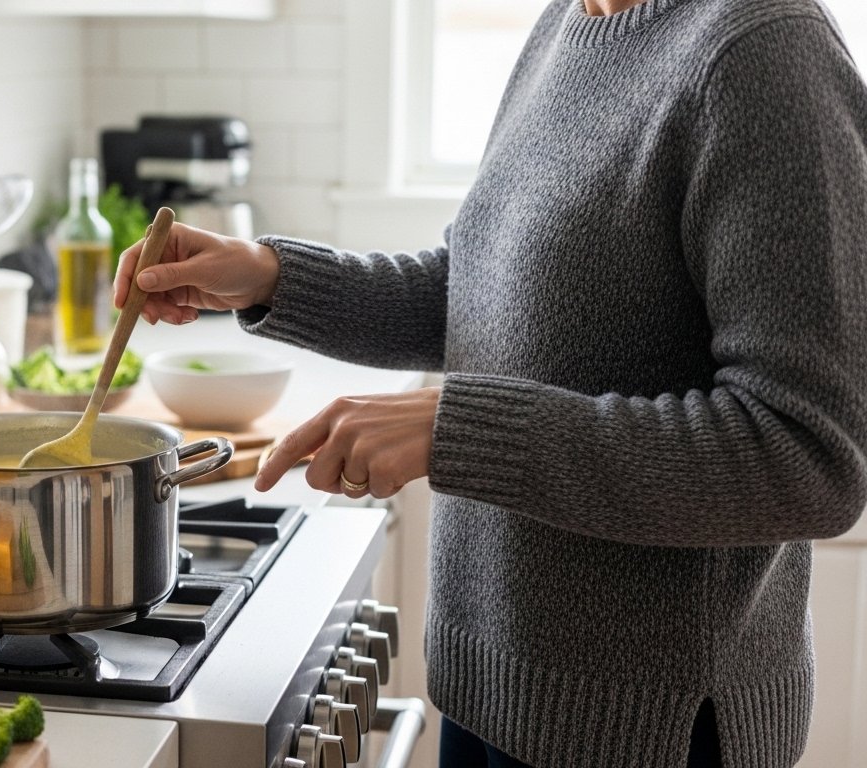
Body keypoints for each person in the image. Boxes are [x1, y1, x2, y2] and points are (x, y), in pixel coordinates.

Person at [112, 0, 867, 765]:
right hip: (491, 690)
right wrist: (271, 278)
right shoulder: (568, 26)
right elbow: (487, 291)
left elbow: (807, 456)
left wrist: (459, 429)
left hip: (644, 730)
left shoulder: (762, 52)